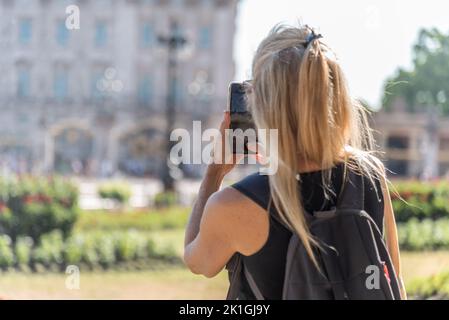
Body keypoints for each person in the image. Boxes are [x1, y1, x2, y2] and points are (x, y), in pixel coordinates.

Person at [183, 24, 406, 299]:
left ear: (265, 105)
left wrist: (214, 173)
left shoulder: (238, 203)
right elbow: (390, 276)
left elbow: (197, 261)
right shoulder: (369, 175)